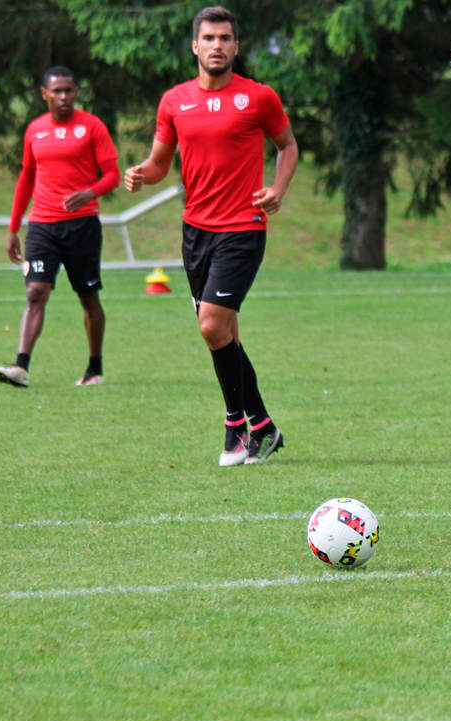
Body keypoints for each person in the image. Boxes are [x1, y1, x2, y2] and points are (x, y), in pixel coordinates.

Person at [123, 5, 298, 466]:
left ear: (235, 47)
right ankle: (260, 427)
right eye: (209, 38)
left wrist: (277, 189)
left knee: (211, 324)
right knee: (224, 333)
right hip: (195, 230)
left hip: (243, 226)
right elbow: (161, 164)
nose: (217, 45)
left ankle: (234, 425)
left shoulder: (258, 97)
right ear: (195, 46)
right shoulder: (174, 101)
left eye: (225, 38)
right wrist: (143, 172)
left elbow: (288, 145)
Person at [0, 66, 118, 389]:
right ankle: (20, 366)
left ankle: (94, 368)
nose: (64, 97)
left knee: (88, 296)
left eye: (69, 90)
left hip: (82, 226)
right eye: (57, 91)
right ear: (44, 94)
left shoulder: (92, 127)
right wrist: (12, 227)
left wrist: (89, 192)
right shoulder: (35, 129)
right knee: (36, 292)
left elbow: (112, 176)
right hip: (42, 225)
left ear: (76, 93)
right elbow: (26, 178)